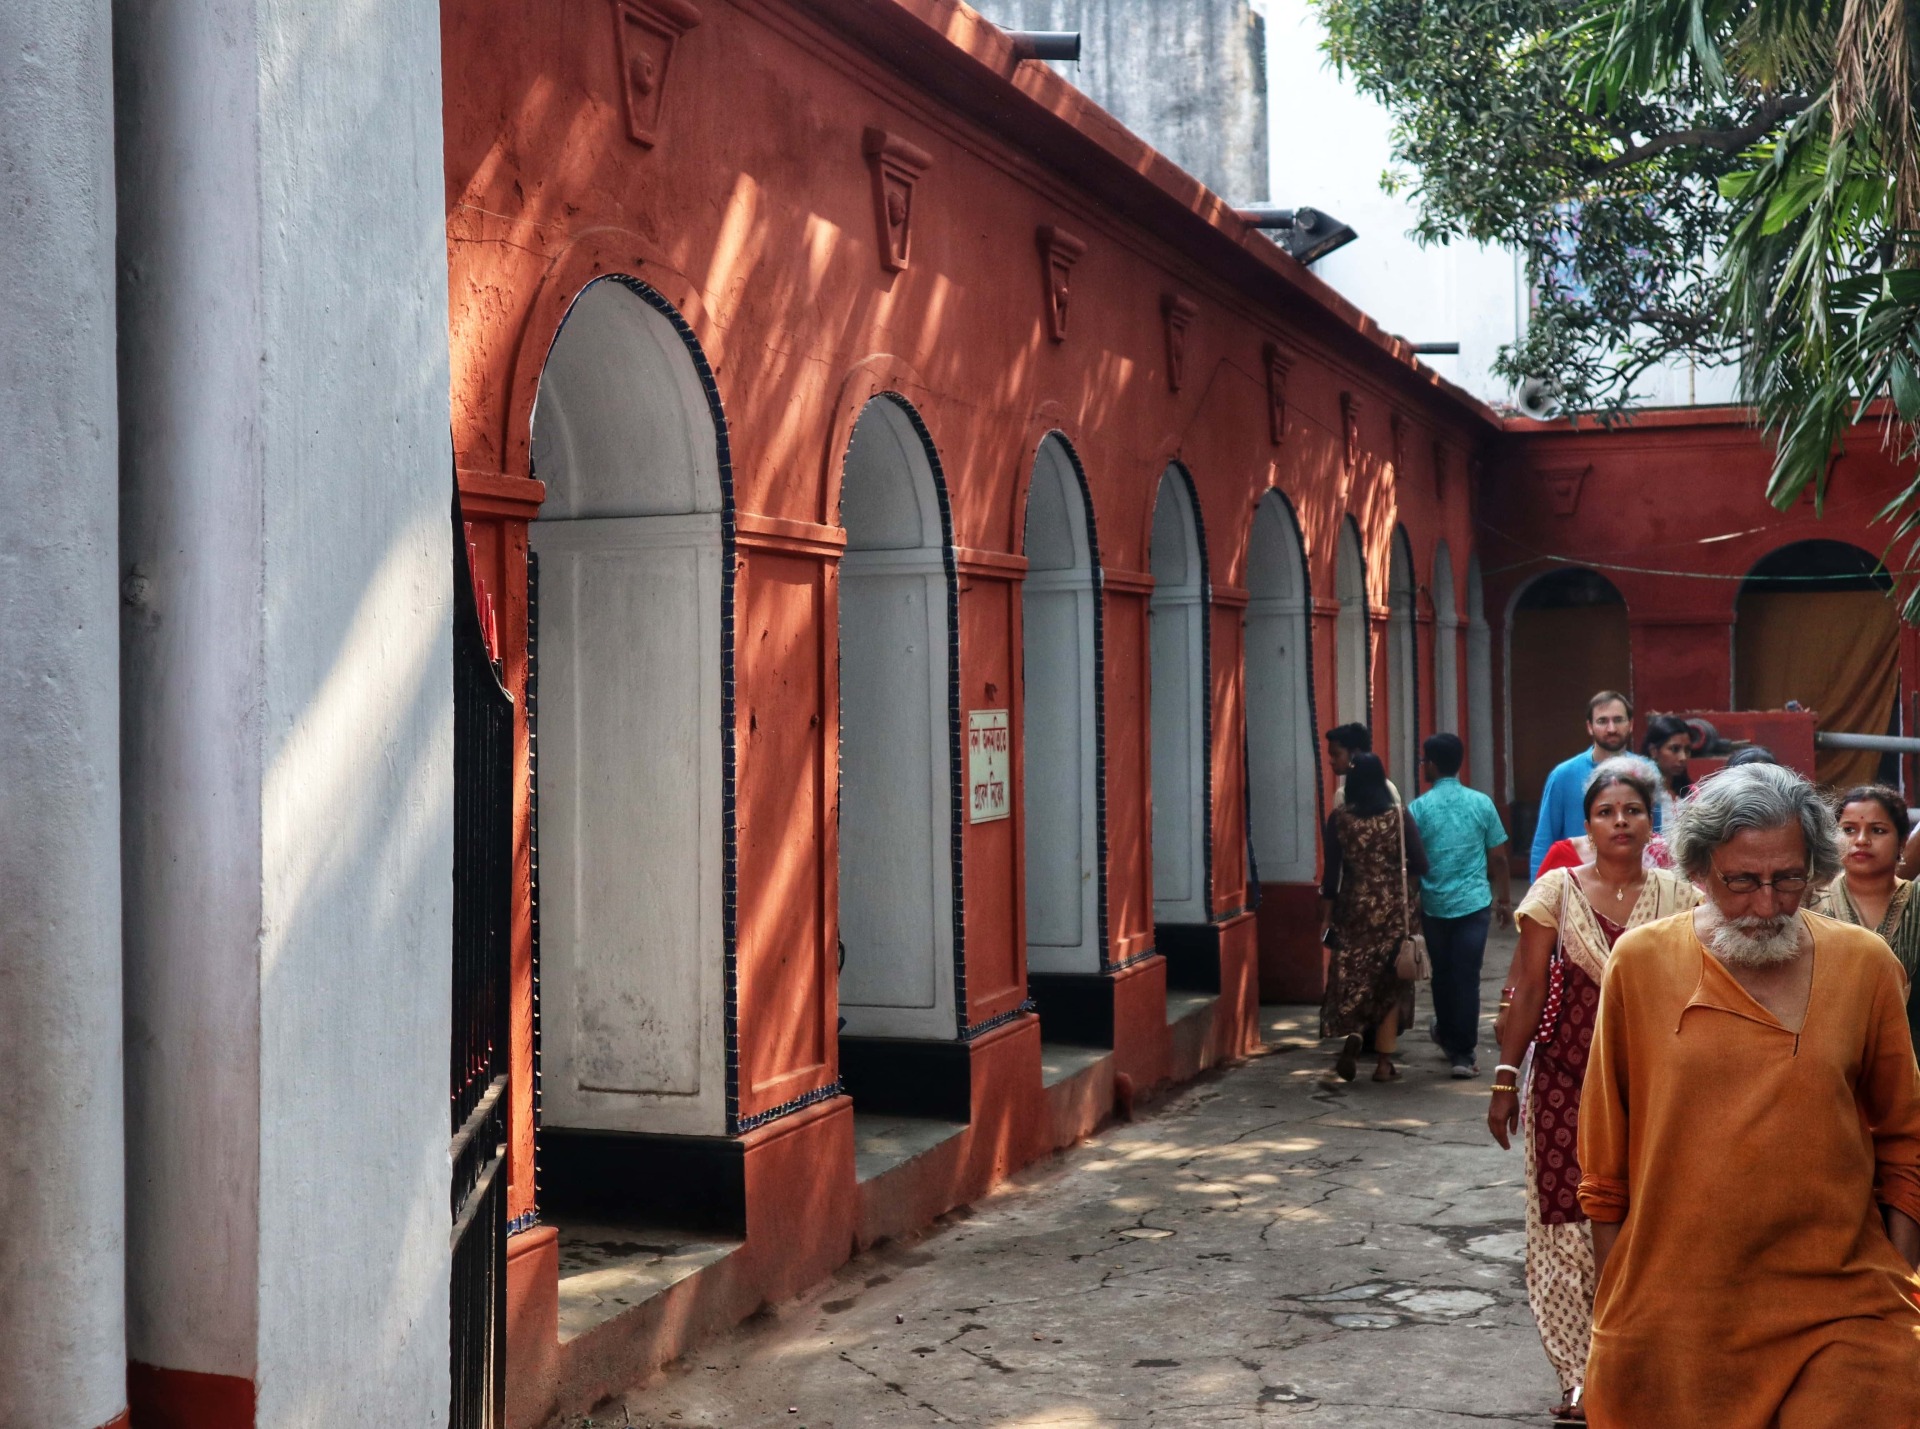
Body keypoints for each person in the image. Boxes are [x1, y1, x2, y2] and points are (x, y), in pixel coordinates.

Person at [1577, 764, 1920, 1427]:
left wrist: (1900, 1277)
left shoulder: (1865, 965)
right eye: (1743, 881)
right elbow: (1604, 1162)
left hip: (1839, 1306)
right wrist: (1616, 1303)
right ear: (1701, 869)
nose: (1767, 905)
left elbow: (1906, 1139)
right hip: (1676, 1309)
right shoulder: (1641, 963)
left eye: (1789, 878)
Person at [1487, 759, 1697, 1424]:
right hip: (1563, 1083)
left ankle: (1637, 1361)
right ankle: (1579, 1374)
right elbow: (1525, 989)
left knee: (1641, 1220)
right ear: (1587, 825)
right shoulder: (1555, 890)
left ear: (1650, 820)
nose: (1620, 821)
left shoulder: (1680, 896)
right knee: (1563, 1221)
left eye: (1632, 810)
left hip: (1652, 1084)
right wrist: (1503, 1077)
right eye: (1606, 812)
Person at [1408, 733, 1512, 1079]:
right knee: (1466, 977)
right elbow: (1498, 857)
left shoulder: (1418, 809)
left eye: (1424, 761)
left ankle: (1450, 1037)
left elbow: (1410, 862)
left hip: (1434, 905)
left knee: (1443, 976)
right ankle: (1463, 1054)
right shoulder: (1481, 803)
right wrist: (1504, 900)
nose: (1423, 766)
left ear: (1432, 765)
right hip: (1473, 904)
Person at [1319, 753, 1426, 1084]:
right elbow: (1421, 863)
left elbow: (1331, 876)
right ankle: (1383, 1063)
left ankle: (1356, 1032)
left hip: (1353, 911)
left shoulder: (1339, 819)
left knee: (1355, 976)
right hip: (1395, 910)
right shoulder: (1398, 815)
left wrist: (1326, 919)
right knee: (1391, 983)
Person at [1812, 784, 1920, 1053]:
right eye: (1849, 830)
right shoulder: (1809, 900)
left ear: (1903, 841)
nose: (1861, 840)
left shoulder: (1917, 900)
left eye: (1878, 830)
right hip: (1830, 1053)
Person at [1528, 691, 1633, 877]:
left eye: (1618, 720)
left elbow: (1655, 839)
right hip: (1576, 883)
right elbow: (1544, 839)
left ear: (1631, 724)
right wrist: (1537, 894)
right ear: (1589, 727)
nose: (1611, 728)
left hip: (1633, 881)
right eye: (1602, 721)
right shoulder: (1563, 775)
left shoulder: (1645, 772)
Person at [1324, 722, 1401, 806]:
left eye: (1336, 755)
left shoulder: (1342, 794)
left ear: (1355, 754)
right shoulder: (1389, 787)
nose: (1331, 761)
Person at [1641, 713, 1692, 832]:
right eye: (1675, 749)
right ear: (1653, 751)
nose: (1683, 757)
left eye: (1687, 750)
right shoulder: (1642, 793)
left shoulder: (1689, 793)